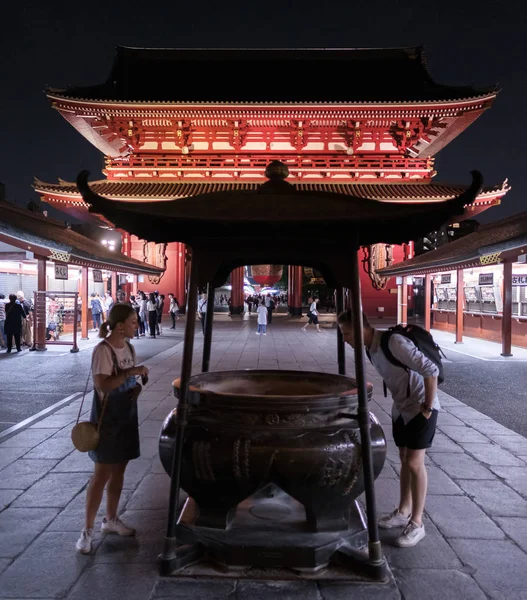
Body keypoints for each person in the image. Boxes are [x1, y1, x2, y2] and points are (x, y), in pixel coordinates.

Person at [337, 309, 440, 548]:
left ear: (362, 328)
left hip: (420, 406)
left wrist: (426, 407)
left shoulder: (393, 342)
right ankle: (403, 511)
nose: (346, 339)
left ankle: (417, 522)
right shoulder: (370, 348)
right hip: (402, 407)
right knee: (404, 459)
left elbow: (430, 370)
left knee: (415, 462)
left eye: (347, 333)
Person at [75, 303, 149, 554]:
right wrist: (133, 372)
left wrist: (135, 383)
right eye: (132, 322)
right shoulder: (102, 350)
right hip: (107, 418)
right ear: (119, 326)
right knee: (101, 474)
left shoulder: (128, 347)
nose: (135, 325)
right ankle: (87, 530)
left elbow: (127, 380)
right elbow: (103, 385)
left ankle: (111, 518)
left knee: (119, 469)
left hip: (126, 414)